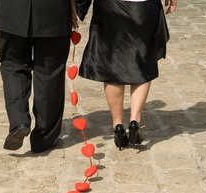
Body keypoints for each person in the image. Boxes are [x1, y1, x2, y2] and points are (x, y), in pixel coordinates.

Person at [76, 0, 177, 150]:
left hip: (109, 7)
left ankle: (118, 124)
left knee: (112, 65)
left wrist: (79, 8)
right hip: (143, 7)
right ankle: (135, 120)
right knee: (143, 62)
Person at [0, 0, 78, 153]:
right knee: (49, 71)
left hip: (11, 9)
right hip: (53, 10)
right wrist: (79, 6)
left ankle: (19, 121)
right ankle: (44, 138)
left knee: (13, 66)